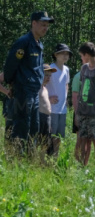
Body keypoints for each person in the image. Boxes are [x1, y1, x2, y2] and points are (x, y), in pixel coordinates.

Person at [3, 11, 54, 150]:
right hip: (23, 91)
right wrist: (12, 83)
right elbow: (10, 65)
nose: (45, 28)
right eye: (43, 25)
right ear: (34, 23)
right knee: (21, 126)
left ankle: (29, 158)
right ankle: (17, 159)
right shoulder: (23, 42)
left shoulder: (39, 44)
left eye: (47, 26)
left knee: (34, 127)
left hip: (34, 91)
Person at [48, 43, 72, 158]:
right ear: (56, 55)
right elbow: (41, 85)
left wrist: (66, 98)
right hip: (51, 108)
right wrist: (48, 98)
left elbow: (66, 84)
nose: (65, 56)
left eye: (67, 54)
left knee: (59, 136)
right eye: (62, 53)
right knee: (50, 135)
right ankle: (47, 158)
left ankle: (55, 157)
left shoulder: (67, 69)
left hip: (62, 109)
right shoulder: (50, 68)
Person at [37, 65, 56, 159]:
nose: (48, 78)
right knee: (39, 141)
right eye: (46, 75)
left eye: (50, 75)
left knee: (46, 142)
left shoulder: (45, 89)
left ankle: (43, 162)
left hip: (47, 118)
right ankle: (37, 161)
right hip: (40, 117)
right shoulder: (37, 88)